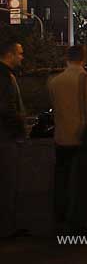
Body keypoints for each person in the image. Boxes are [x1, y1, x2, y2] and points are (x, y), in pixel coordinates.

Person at [47, 45, 87, 234]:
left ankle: (59, 220)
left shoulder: (54, 82)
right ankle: (78, 224)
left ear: (66, 58)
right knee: (83, 184)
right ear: (84, 59)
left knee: (61, 181)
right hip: (84, 139)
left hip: (61, 138)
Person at [0, 38, 27, 240]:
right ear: (9, 55)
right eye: (19, 53)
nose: (22, 57)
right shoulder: (5, 77)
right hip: (6, 137)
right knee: (8, 184)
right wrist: (20, 123)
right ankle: (7, 229)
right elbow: (7, 108)